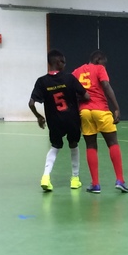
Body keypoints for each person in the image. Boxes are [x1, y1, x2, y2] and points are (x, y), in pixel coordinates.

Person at [29, 50, 89, 192]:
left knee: (55, 146)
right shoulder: (69, 78)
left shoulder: (42, 81)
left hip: (54, 121)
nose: (65, 65)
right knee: (73, 145)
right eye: (63, 62)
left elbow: (31, 103)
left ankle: (45, 177)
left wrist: (39, 116)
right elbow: (86, 96)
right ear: (58, 62)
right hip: (71, 119)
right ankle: (75, 179)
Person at [72, 50, 128, 193]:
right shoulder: (99, 68)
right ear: (98, 60)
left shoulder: (77, 71)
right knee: (112, 143)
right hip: (101, 110)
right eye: (104, 63)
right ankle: (120, 180)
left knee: (91, 145)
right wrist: (116, 107)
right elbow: (106, 86)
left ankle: (95, 184)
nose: (104, 66)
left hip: (84, 112)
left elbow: (70, 90)